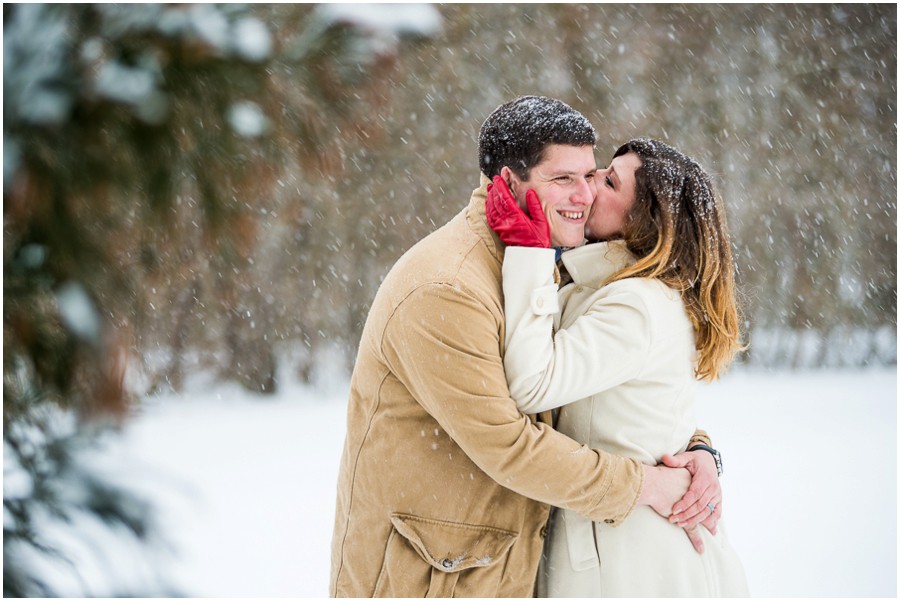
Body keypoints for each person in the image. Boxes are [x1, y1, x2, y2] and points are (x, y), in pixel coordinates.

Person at [329, 97, 722, 598]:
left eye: (592, 175)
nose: (585, 195)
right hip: (429, 576)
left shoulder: (551, 261)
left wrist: (697, 449)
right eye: (564, 179)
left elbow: (617, 390)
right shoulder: (447, 288)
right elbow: (509, 445)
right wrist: (649, 486)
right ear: (511, 183)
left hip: (503, 569)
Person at [487, 137, 749, 596]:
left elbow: (531, 384)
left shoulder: (635, 304)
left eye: (608, 181)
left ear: (643, 221)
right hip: (622, 543)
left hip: (633, 561)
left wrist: (527, 252)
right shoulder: (606, 288)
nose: (588, 187)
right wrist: (703, 452)